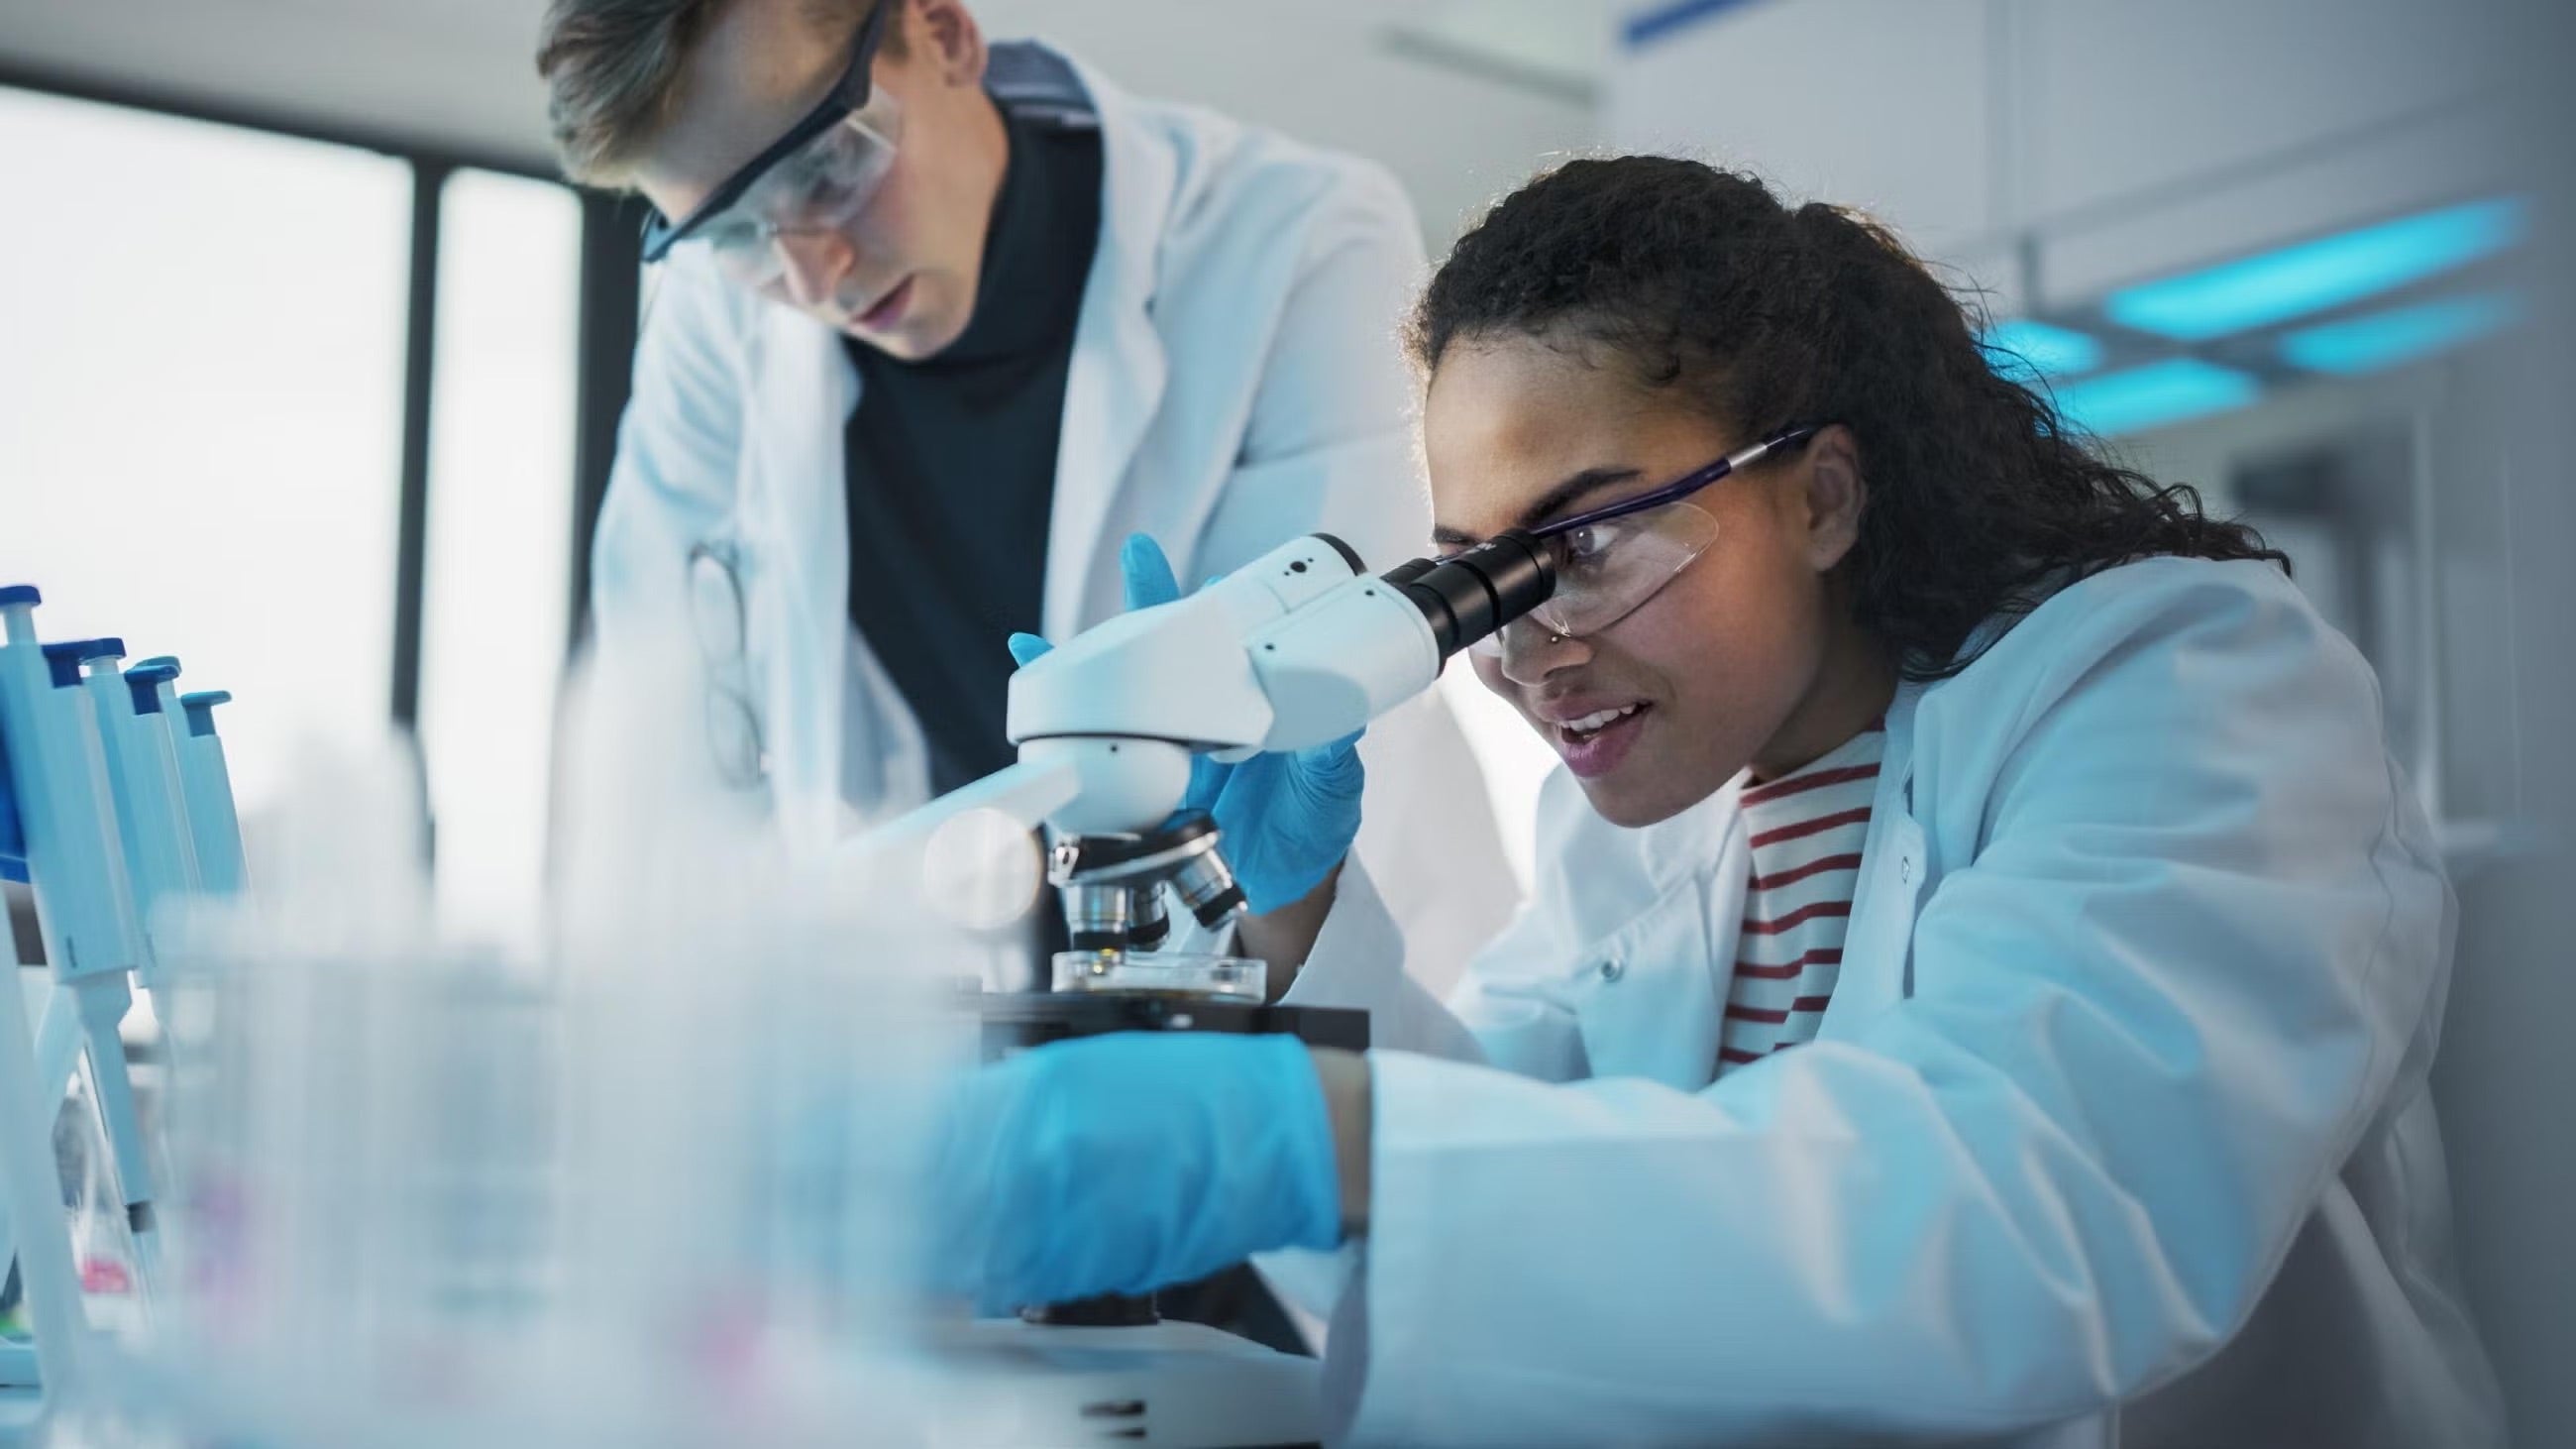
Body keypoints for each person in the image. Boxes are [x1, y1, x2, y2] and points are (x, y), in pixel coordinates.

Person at [932, 157, 2507, 1447]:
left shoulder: (2180, 685)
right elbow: (1513, 1221)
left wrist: (1323, 1136)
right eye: (1477, 579)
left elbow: (2027, 1220)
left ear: (1819, 493)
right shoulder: (1646, 828)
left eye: (1583, 544)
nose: (1524, 649)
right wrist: (1273, 926)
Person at [534, 0, 1508, 981]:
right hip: (931, 1014)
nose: (811, 269)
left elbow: (1307, 715)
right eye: (730, 228)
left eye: (827, 166)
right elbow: (659, 734)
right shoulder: (719, 318)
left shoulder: (1296, 239)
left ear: (946, 34)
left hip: (1314, 997)